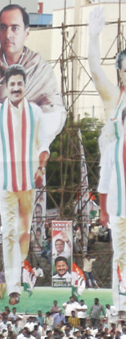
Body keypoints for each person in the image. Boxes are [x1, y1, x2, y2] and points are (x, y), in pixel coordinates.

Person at [0, 64, 62, 302]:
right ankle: (13, 285)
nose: (16, 88)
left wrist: (41, 168)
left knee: (24, 232)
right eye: (12, 84)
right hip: (4, 183)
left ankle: (20, 268)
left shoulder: (35, 112)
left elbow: (44, 145)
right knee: (9, 232)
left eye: (19, 84)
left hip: (27, 182)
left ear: (25, 86)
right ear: (6, 87)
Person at [0, 3, 65, 142]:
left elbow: (53, 118)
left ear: (26, 32)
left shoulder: (40, 68)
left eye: (15, 28)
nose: (8, 34)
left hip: (32, 152)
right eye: (3, 28)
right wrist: (31, 110)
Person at [89, 4, 126, 306]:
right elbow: (95, 70)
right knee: (121, 255)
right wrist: (93, 37)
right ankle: (121, 304)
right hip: (119, 198)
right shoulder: (115, 99)